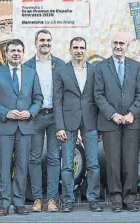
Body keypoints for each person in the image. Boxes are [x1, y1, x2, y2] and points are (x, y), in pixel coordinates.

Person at [0, 39, 43, 217]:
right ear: (6, 53)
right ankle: (3, 203)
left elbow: (38, 98)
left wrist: (30, 112)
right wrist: (6, 113)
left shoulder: (31, 73)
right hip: (4, 126)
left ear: (23, 53)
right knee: (3, 166)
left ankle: (19, 202)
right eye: (12, 51)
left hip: (25, 127)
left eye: (19, 50)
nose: (16, 53)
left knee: (22, 166)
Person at [94, 31, 140, 212]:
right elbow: (98, 95)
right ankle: (116, 198)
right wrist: (113, 114)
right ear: (111, 45)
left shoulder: (136, 66)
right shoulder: (101, 67)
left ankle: (129, 198)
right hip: (110, 122)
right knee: (113, 162)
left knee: (131, 161)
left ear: (127, 45)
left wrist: (132, 113)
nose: (118, 46)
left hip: (131, 122)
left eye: (121, 43)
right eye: (115, 43)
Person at [54, 37, 103, 213]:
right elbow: (57, 100)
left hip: (90, 121)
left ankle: (93, 199)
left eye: (82, 47)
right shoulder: (61, 71)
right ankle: (68, 200)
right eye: (75, 47)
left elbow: (98, 98)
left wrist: (99, 126)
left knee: (93, 163)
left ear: (86, 50)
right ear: (70, 49)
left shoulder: (94, 70)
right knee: (67, 164)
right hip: (68, 122)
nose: (79, 50)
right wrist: (59, 126)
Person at [24, 29, 65, 212]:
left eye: (48, 40)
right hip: (35, 116)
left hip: (55, 117)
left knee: (54, 158)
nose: (45, 43)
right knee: (34, 158)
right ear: (36, 43)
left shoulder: (61, 65)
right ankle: (37, 199)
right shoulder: (27, 66)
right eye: (42, 40)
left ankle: (52, 200)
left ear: (52, 42)